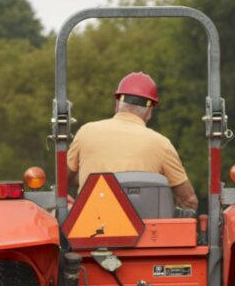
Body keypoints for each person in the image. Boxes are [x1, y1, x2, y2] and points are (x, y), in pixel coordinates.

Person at [67, 72, 198, 210]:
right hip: (147, 230)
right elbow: (189, 201)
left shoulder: (86, 132)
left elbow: (64, 180)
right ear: (150, 111)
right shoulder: (161, 144)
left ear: (117, 104)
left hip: (90, 227)